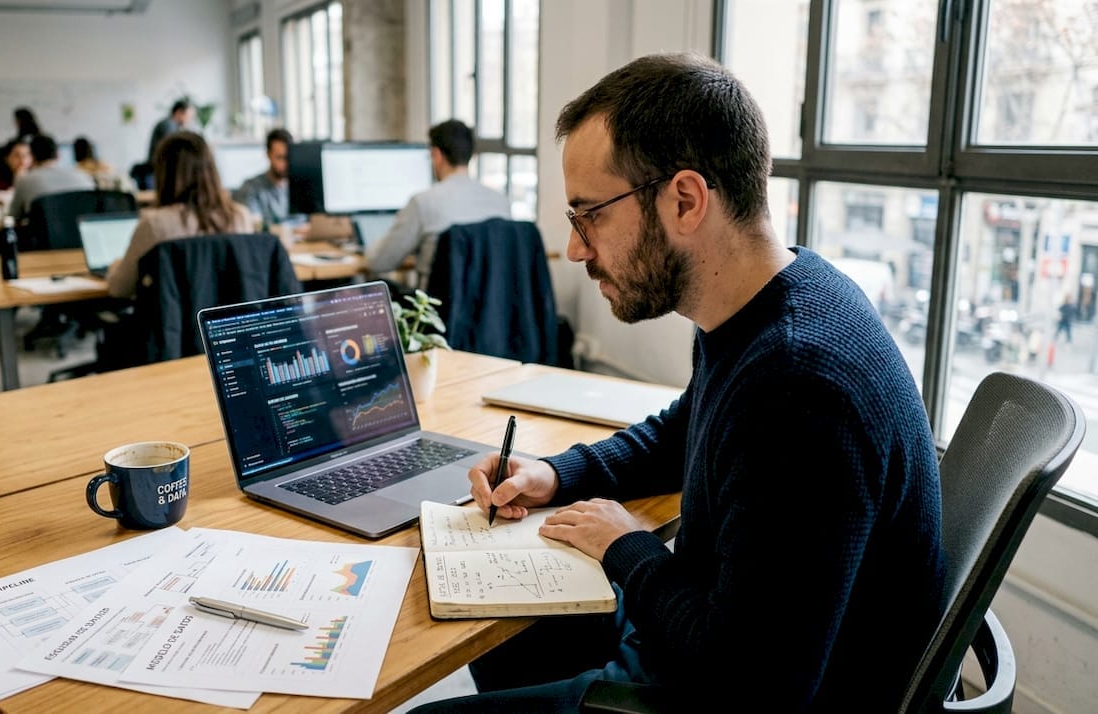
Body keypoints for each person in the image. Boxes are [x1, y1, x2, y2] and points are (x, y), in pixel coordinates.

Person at [416, 53, 945, 712]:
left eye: (591, 215)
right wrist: (555, 475)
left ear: (686, 201)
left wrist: (627, 545)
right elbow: (681, 434)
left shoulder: (800, 384)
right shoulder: (777, 300)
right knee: (497, 622)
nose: (577, 248)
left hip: (718, 687)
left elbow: (751, 687)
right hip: (695, 635)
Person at [106, 131, 256, 299]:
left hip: (176, 324)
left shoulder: (155, 224)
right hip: (225, 323)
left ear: (163, 173)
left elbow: (120, 289)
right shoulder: (240, 216)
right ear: (211, 170)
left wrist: (115, 267)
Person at [364, 119, 511, 288]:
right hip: (492, 308)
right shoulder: (501, 202)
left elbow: (379, 262)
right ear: (471, 154)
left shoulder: (423, 202)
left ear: (436, 155)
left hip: (436, 310)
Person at [6, 134, 95, 221]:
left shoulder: (25, 180)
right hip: (82, 232)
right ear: (58, 155)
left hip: (48, 234)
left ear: (32, 157)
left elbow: (14, 216)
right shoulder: (84, 176)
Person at [233, 128, 301, 228]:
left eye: (288, 157)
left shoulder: (300, 186)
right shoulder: (251, 188)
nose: (286, 164)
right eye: (280, 158)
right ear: (268, 155)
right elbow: (256, 226)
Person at [0, 138, 32, 203]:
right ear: (6, 158)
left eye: (26, 155)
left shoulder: (35, 176)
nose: (22, 161)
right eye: (17, 156)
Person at [148, 99, 194, 164]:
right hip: (157, 169)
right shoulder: (168, 125)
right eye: (189, 116)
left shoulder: (172, 125)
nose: (190, 120)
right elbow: (173, 150)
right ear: (179, 112)